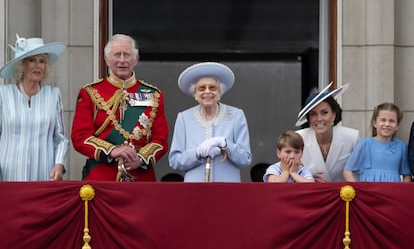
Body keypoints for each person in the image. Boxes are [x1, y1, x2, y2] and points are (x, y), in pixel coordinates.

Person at [71, 34, 169, 181]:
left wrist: (141, 159)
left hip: (140, 177)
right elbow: (80, 137)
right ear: (107, 59)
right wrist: (112, 151)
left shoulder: (154, 95)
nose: (122, 60)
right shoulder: (90, 93)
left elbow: (160, 140)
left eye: (127, 55)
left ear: (136, 59)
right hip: (101, 176)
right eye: (117, 55)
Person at [0, 34, 69, 181]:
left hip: (45, 176)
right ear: (22, 66)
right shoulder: (4, 95)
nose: (38, 66)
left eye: (42, 61)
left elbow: (60, 138)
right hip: (9, 176)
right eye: (32, 60)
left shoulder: (53, 95)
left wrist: (59, 165)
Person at [169, 62, 252, 182]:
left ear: (220, 92)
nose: (207, 92)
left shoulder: (236, 115)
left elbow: (245, 159)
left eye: (212, 87)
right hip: (195, 190)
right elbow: (175, 161)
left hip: (227, 189)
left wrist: (225, 144)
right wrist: (197, 153)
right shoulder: (184, 118)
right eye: (201, 88)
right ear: (195, 93)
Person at [296, 82, 359, 182]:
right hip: (311, 195)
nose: (319, 119)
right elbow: (289, 174)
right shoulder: (299, 139)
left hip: (344, 195)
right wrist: (308, 179)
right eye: (313, 114)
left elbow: (361, 173)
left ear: (334, 114)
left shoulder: (351, 137)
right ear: (309, 118)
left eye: (324, 113)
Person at [344, 102, 411, 182]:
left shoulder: (401, 146)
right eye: (383, 120)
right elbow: (347, 170)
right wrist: (357, 190)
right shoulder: (364, 144)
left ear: (397, 126)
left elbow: (407, 175)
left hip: (392, 192)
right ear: (375, 123)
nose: (387, 124)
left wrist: (401, 193)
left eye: (391, 121)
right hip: (368, 191)